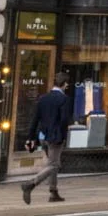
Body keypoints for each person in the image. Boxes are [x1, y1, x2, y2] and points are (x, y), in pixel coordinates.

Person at [22, 74, 74, 204]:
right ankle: (31, 184)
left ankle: (53, 192)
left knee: (53, 164)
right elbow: (63, 120)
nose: (67, 86)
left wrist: (30, 137)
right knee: (54, 164)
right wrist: (63, 136)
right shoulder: (64, 99)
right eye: (67, 84)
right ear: (63, 84)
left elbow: (35, 119)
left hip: (43, 136)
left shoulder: (43, 98)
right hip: (55, 137)